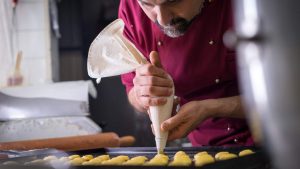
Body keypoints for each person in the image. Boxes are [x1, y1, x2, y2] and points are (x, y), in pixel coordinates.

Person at [118, 0, 254, 146]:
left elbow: (280, 97)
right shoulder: (131, 9)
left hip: (271, 138)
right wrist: (143, 96)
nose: (162, 20)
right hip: (205, 150)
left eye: (173, 1)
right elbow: (131, 89)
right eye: (147, 4)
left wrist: (209, 108)